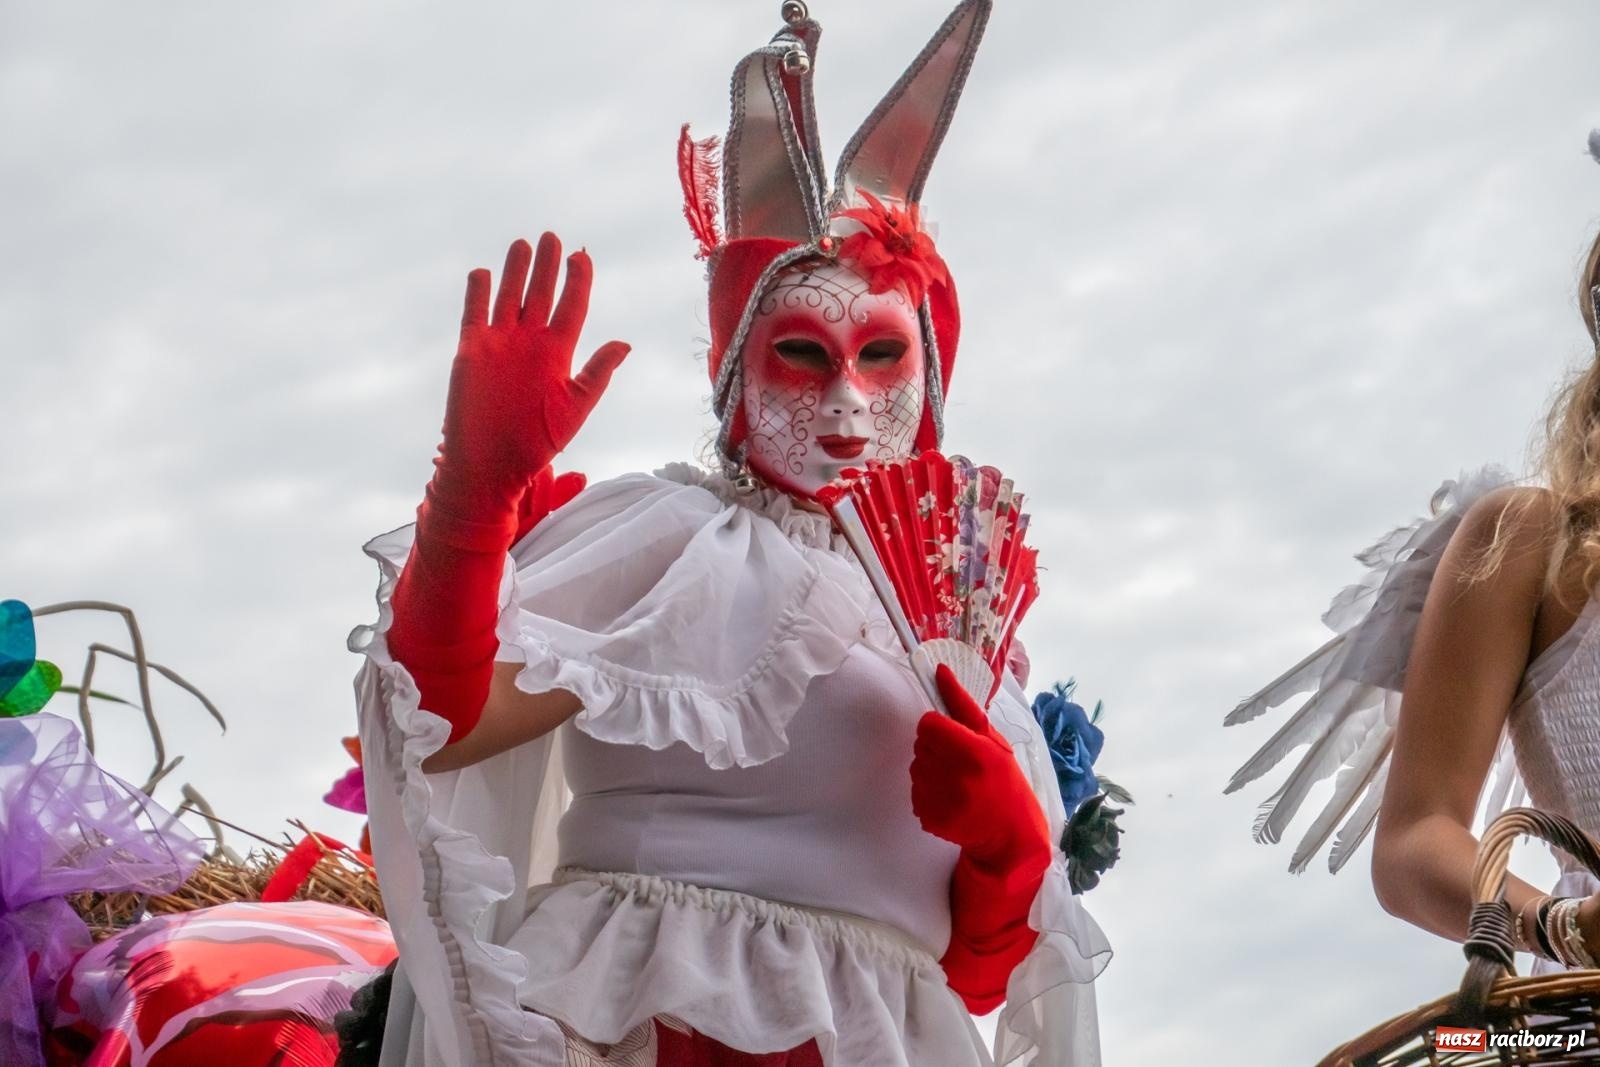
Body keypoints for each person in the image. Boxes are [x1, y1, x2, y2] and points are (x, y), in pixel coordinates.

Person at [350, 3, 1109, 1065]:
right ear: (734, 372)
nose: (846, 398)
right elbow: (441, 719)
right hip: (653, 1015)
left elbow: (978, 972)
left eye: (883, 356)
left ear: (931, 374)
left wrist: (1005, 847)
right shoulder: (679, 537)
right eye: (803, 353)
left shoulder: (953, 622)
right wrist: (472, 495)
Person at [1226, 138, 1600, 971]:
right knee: (1478, 1044)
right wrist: (1565, 927)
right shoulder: (1525, 541)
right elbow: (1413, 841)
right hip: (1578, 1027)